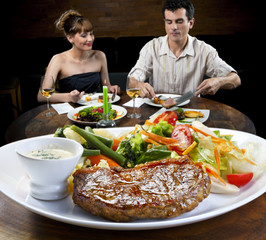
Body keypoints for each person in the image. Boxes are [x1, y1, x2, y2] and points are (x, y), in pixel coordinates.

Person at [128, 0, 241, 98]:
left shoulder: (204, 50)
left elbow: (236, 79)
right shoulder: (152, 47)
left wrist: (219, 81)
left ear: (191, 23)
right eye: (169, 22)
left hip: (192, 110)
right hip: (158, 110)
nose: (174, 27)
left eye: (179, 21)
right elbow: (132, 79)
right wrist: (138, 85)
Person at [37, 10, 120, 103]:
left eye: (91, 34)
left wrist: (111, 88)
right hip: (71, 111)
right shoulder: (58, 60)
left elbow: (106, 86)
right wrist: (69, 97)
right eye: (84, 35)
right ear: (70, 38)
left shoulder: (100, 56)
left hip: (97, 108)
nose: (90, 39)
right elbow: (41, 96)